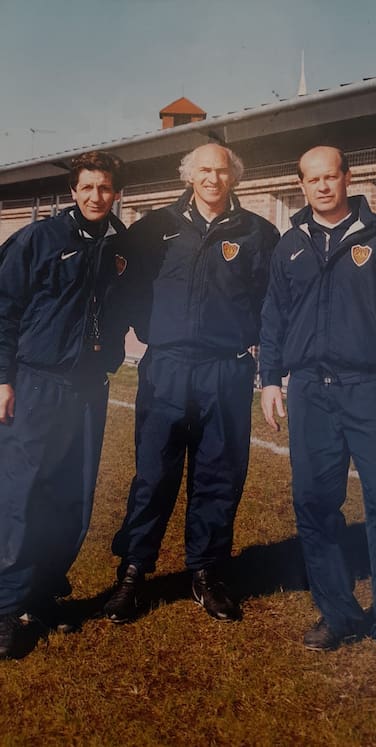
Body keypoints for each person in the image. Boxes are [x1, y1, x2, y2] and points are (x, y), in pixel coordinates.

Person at [260, 144, 376, 685]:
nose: (323, 187)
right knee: (314, 505)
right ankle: (339, 614)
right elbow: (273, 319)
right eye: (312, 179)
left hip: (373, 391)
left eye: (331, 177)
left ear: (348, 179)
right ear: (301, 185)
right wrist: (269, 381)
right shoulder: (290, 246)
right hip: (310, 393)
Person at [104, 143, 279, 623]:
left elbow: (273, 302)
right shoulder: (156, 228)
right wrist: (145, 329)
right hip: (168, 366)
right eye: (203, 170)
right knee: (154, 473)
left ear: (234, 177)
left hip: (226, 368)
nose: (212, 178)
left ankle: (207, 572)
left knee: (219, 475)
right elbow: (120, 279)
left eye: (221, 170)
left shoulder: (258, 232)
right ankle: (134, 571)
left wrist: (270, 365)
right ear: (188, 175)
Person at [0, 150, 129, 657]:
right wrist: (2, 379)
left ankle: (44, 592)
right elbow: (4, 310)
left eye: (105, 188)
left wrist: (112, 353)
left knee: (73, 496)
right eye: (88, 187)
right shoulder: (40, 239)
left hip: (88, 387)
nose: (97, 196)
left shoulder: (122, 246)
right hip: (36, 383)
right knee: (22, 493)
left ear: (116, 192)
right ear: (74, 192)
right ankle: (6, 608)